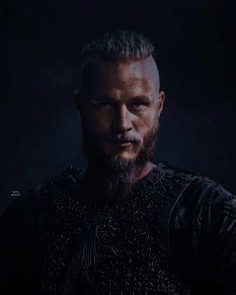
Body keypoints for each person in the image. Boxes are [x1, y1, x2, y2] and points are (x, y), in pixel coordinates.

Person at [0, 29, 236, 295]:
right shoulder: (30, 217)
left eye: (137, 104)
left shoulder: (207, 212)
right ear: (80, 106)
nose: (122, 124)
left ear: (159, 105)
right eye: (104, 104)